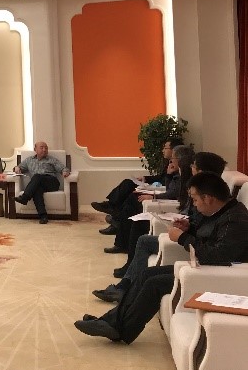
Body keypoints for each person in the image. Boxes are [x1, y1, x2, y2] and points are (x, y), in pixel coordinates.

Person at [74, 172, 248, 343]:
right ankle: (110, 321)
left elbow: (218, 255)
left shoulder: (235, 220)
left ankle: (120, 329)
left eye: (195, 200)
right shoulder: (217, 211)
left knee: (154, 284)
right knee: (146, 274)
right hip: (202, 268)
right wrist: (189, 229)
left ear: (208, 198)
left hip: (218, 277)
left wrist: (182, 237)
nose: (194, 205)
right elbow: (208, 237)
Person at [92, 151, 227, 303]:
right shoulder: (203, 191)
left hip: (192, 247)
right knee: (143, 238)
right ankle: (125, 282)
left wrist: (184, 234)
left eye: (193, 166)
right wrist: (188, 226)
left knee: (140, 227)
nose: (191, 168)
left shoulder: (215, 201)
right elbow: (196, 220)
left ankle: (125, 286)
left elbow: (211, 244)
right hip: (187, 232)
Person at [102, 145, 192, 254]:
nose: (171, 161)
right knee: (131, 199)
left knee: (132, 206)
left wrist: (154, 196)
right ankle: (117, 221)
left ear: (180, 160)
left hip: (170, 206)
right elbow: (169, 188)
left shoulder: (185, 175)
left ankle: (117, 222)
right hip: (165, 199)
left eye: (173, 158)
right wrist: (169, 175)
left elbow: (173, 192)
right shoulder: (175, 171)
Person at [93, 138, 184, 235]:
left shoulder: (178, 168)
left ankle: (115, 216)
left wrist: (155, 194)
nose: (163, 150)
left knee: (131, 195)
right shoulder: (169, 163)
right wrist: (145, 178)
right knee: (128, 183)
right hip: (157, 188)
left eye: (165, 148)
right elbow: (161, 177)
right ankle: (113, 209)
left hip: (159, 190)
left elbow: (169, 188)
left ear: (174, 150)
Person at [13, 141, 70, 224]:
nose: (44, 150)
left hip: (52, 182)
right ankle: (43, 216)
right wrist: (16, 167)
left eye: (46, 148)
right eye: (42, 147)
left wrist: (65, 172)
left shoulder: (51, 159)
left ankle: (25, 197)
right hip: (38, 183)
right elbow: (19, 167)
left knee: (37, 176)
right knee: (37, 190)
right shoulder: (29, 160)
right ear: (35, 149)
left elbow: (63, 168)